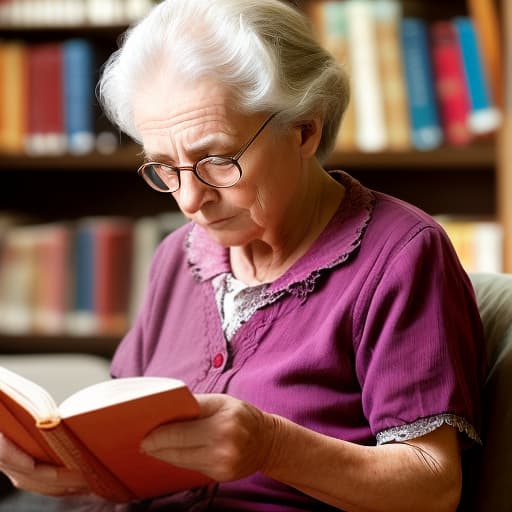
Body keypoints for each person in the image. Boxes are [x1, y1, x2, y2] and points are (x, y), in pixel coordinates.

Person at [0, 0, 486, 511]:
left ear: (304, 128)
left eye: (216, 159)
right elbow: (129, 452)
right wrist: (77, 472)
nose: (190, 200)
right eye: (164, 167)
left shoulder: (400, 256)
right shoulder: (178, 256)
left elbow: (434, 489)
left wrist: (272, 446)